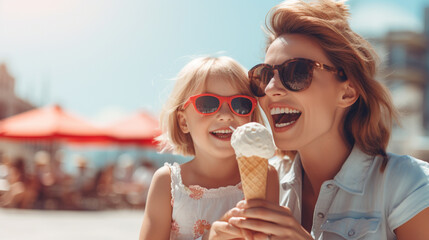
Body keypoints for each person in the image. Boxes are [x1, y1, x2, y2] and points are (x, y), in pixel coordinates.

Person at [206, 0, 429, 239]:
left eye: (297, 72)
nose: (271, 89)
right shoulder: (260, 184)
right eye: (264, 75)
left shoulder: (409, 183)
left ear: (347, 93)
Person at [139, 56, 279, 240]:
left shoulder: (268, 176)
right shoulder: (168, 182)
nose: (225, 115)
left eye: (240, 104)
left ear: (251, 117)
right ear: (183, 121)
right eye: (207, 104)